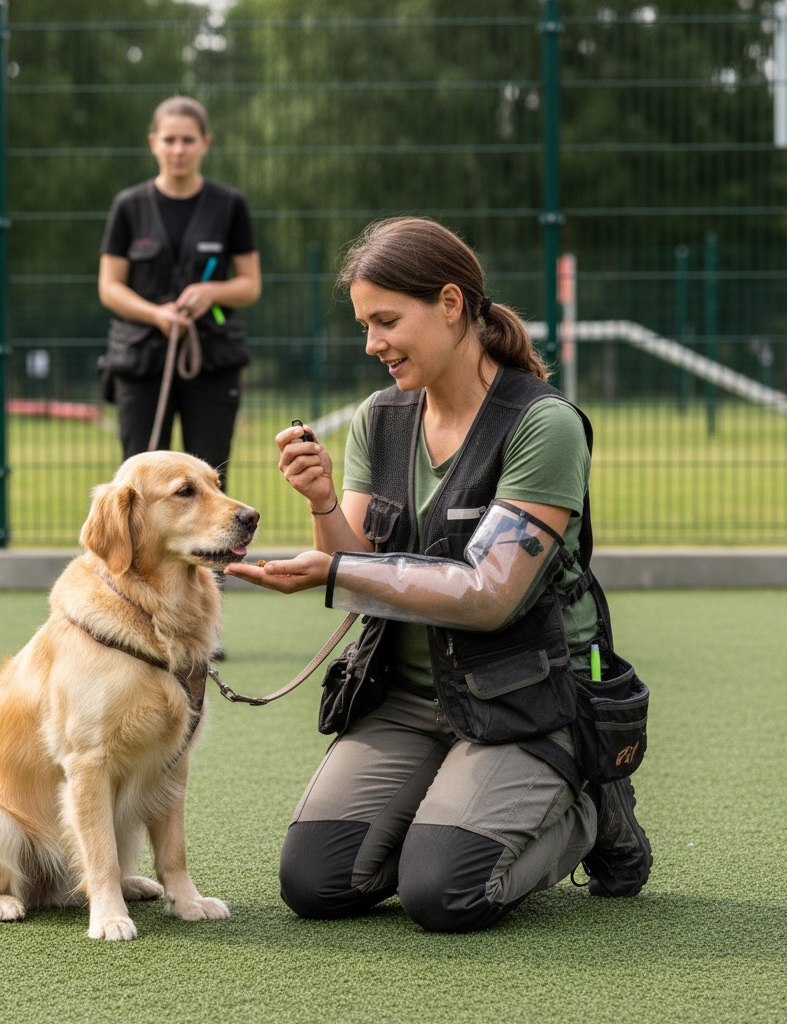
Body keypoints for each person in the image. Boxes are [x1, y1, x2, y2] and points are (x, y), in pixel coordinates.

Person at [225, 217, 651, 932]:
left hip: (526, 702)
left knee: (441, 894)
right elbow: (356, 565)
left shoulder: (543, 425)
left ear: (451, 305)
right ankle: (450, 804)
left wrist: (335, 571)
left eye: (386, 321)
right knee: (316, 882)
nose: (372, 345)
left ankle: (590, 808)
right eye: (365, 324)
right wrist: (324, 502)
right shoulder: (379, 418)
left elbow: (490, 596)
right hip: (409, 699)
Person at [98, 96, 261, 487]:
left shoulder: (230, 205)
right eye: (169, 139)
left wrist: (211, 292)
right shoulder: (128, 206)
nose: (178, 150)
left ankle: (214, 549)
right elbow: (109, 286)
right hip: (140, 359)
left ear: (205, 142)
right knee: (137, 478)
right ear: (153, 142)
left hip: (211, 359)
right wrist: (155, 315)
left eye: (188, 140)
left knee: (209, 477)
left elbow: (249, 285)